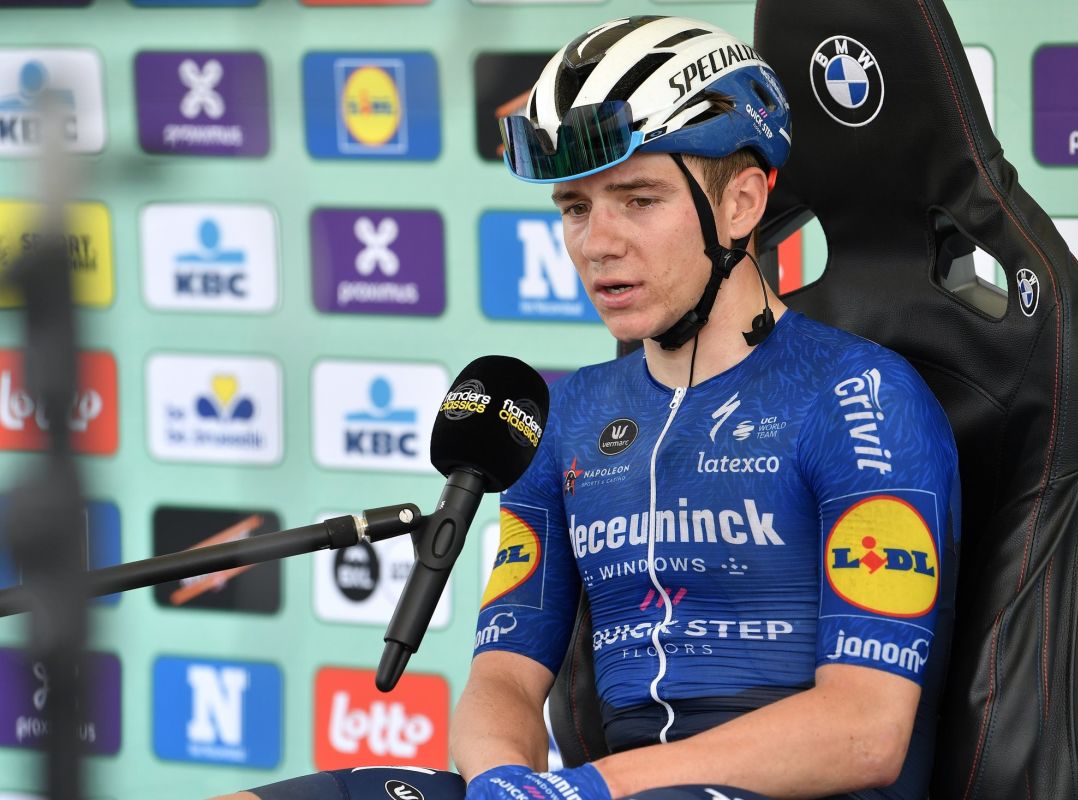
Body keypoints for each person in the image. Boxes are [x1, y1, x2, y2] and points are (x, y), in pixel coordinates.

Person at [215, 15, 959, 800]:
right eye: (575, 208)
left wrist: (594, 787)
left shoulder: (859, 396)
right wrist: (504, 782)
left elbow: (865, 731)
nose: (596, 243)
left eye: (637, 200)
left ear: (741, 205)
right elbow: (503, 678)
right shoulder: (567, 414)